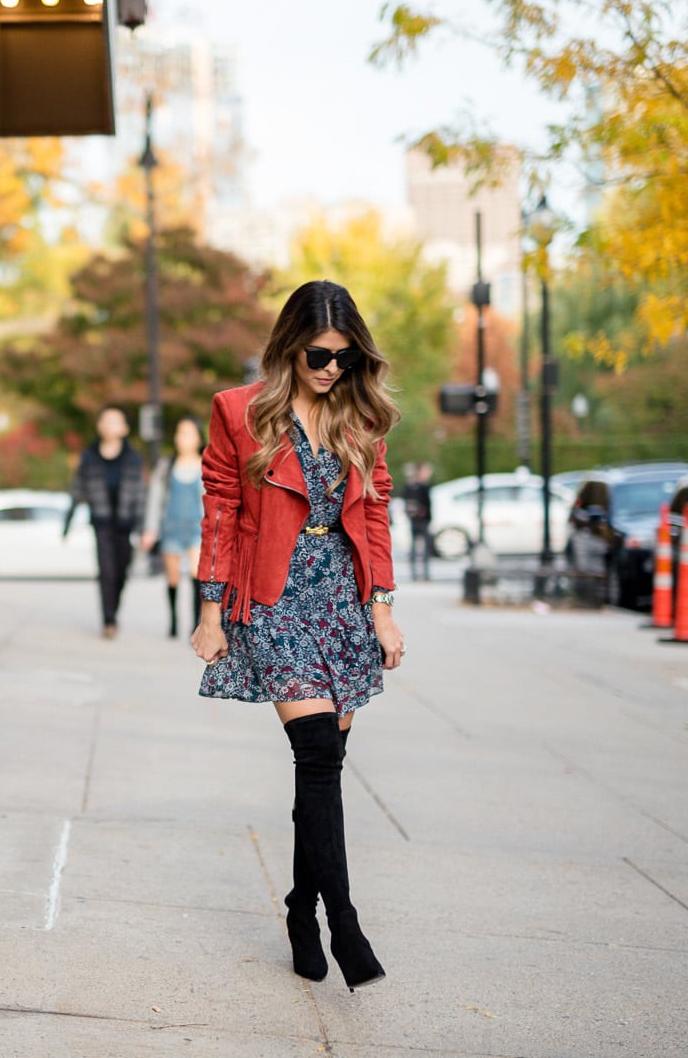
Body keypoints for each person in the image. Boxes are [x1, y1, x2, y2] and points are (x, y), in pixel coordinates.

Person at [190, 279, 406, 990]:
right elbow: (221, 509)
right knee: (314, 752)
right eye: (318, 354)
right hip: (273, 597)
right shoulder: (238, 413)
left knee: (323, 769)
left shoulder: (356, 417)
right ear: (288, 346)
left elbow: (372, 516)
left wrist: (381, 607)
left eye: (344, 358)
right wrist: (209, 608)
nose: (330, 369)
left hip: (341, 600)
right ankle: (344, 923)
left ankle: (298, 909)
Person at [66, 405, 147, 638]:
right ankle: (108, 620)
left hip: (125, 522)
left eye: (115, 421)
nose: (110, 425)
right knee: (106, 572)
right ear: (100, 426)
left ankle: (114, 610)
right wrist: (68, 520)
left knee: (121, 572)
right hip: (101, 522)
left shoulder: (132, 459)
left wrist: (141, 528)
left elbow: (140, 494)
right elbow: (77, 489)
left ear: (124, 428)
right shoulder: (89, 456)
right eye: (106, 421)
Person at [141, 416, 207, 639]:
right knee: (172, 578)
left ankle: (195, 624)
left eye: (188, 433)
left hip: (197, 529)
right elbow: (155, 499)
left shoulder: (207, 466)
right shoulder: (166, 466)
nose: (183, 438)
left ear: (198, 438)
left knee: (197, 574)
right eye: (180, 433)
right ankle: (173, 621)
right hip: (171, 527)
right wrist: (150, 529)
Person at [402, 461, 435, 581]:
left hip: (422, 519)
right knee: (418, 548)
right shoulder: (416, 486)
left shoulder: (421, 485)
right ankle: (417, 574)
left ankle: (423, 573)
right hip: (418, 519)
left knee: (423, 548)